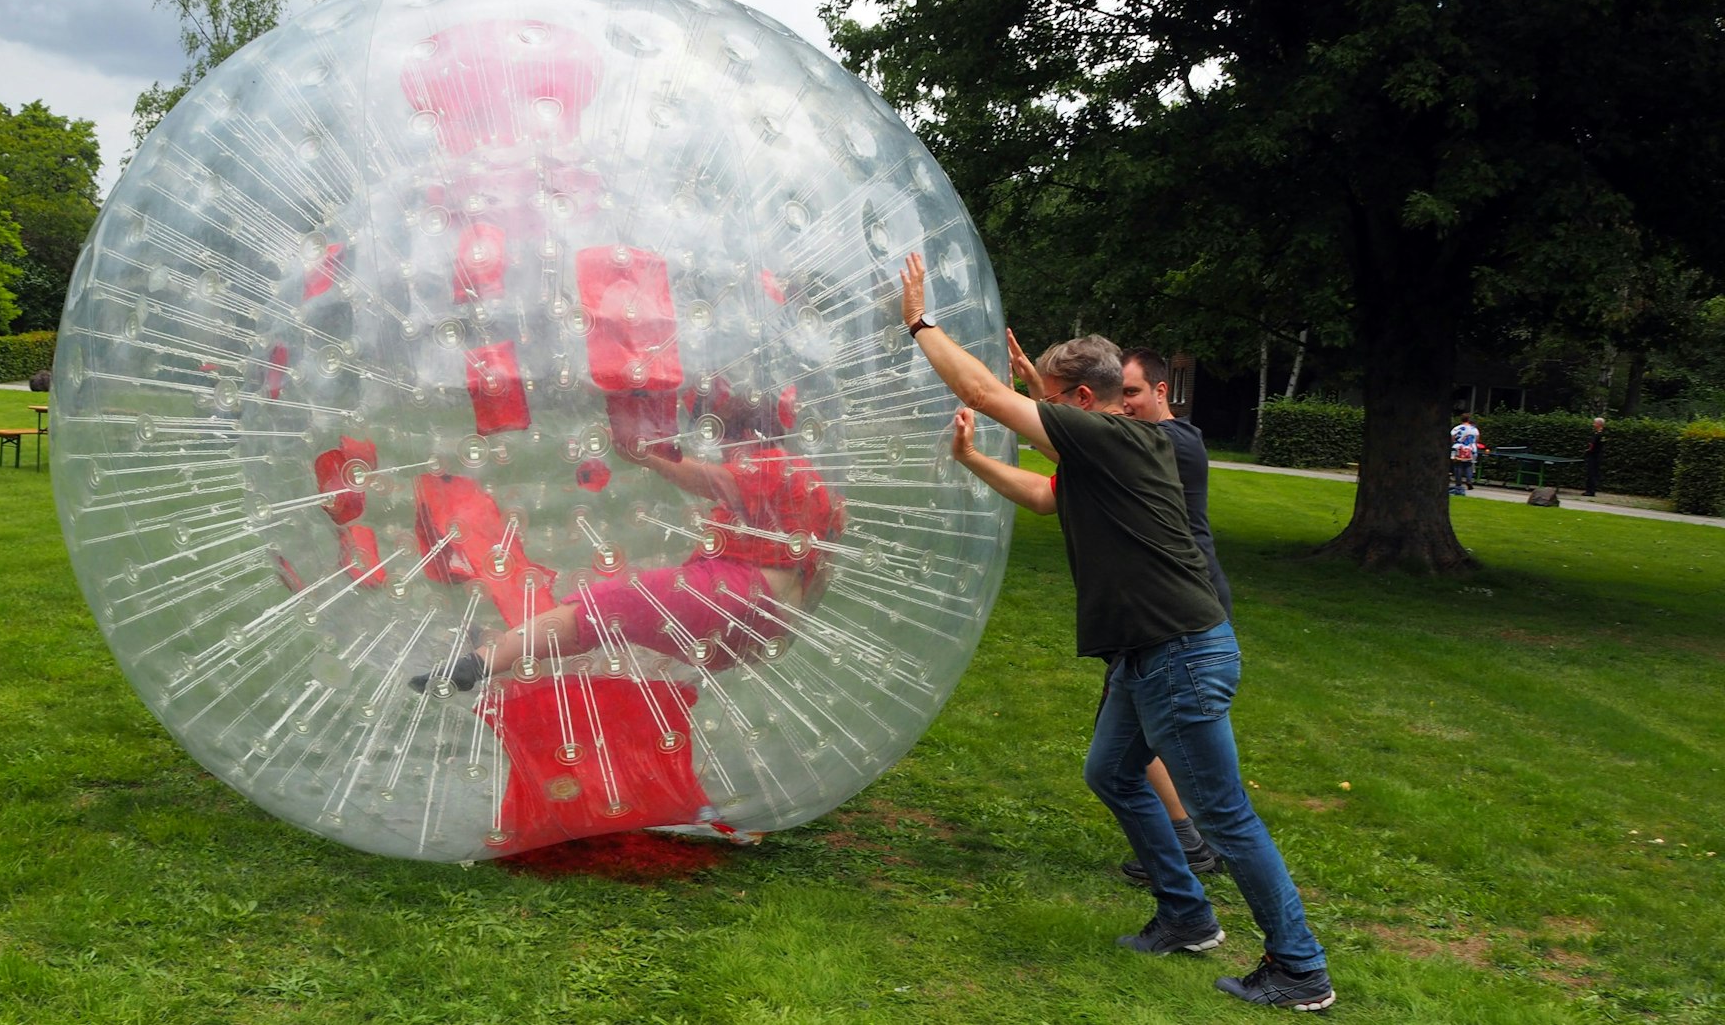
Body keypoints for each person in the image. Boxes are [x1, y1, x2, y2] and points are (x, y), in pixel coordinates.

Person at [900, 252, 1333, 1012]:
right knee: (1112, 772)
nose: (1050, 408)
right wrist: (971, 458)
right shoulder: (1110, 449)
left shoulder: (1120, 441)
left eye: (1058, 400)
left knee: (1226, 813)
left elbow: (979, 389)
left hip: (1181, 653)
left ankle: (1300, 966)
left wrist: (918, 321)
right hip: (1150, 653)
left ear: (1080, 400)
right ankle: (1186, 914)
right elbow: (1042, 495)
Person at [412, 381, 844, 693]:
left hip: (733, 595)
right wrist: (785, 628)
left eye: (725, 435)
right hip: (765, 622)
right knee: (619, 633)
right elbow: (820, 569)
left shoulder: (774, 462)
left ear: (747, 433)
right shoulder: (817, 488)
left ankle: (475, 665)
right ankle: (502, 645)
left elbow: (709, 480)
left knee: (605, 606)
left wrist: (649, 456)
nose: (722, 447)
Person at [989, 335, 1228, 887]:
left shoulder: (1166, 441)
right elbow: (1070, 447)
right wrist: (1036, 388)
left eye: (1135, 392)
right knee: (1138, 742)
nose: (1126, 402)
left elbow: (1074, 443)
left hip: (1175, 610)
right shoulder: (1139, 435)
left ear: (1161, 392)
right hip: (1164, 608)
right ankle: (1191, 848)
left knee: (1144, 744)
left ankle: (1190, 843)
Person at [1449, 412, 1480, 496]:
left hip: (1459, 447)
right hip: (1471, 448)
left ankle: (1458, 484)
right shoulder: (1474, 429)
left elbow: (1452, 437)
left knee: (1458, 466)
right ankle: (1469, 480)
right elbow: (1477, 439)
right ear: (1469, 420)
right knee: (1469, 465)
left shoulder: (1457, 428)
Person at [1582, 417, 1605, 497]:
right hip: (1598, 456)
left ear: (1599, 424)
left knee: (1591, 473)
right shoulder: (1603, 434)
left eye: (1594, 423)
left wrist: (1588, 450)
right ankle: (1591, 490)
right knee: (1594, 473)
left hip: (1594, 456)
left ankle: (1590, 491)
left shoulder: (1598, 434)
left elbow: (1592, 444)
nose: (1593, 424)